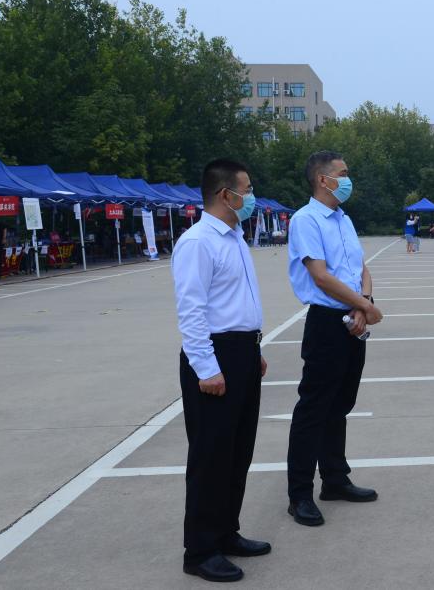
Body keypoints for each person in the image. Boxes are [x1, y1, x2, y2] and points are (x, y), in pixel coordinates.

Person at [171, 159, 270, 583]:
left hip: (242, 351)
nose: (251, 197)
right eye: (246, 190)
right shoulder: (198, 242)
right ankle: (200, 550)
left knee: (237, 451)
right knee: (211, 456)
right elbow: (192, 311)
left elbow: (236, 302)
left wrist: (253, 350)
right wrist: (207, 368)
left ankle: (226, 532)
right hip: (214, 356)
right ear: (226, 195)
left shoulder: (235, 238)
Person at [286, 150, 384, 527]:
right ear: (322, 180)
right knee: (313, 409)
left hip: (352, 319)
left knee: (340, 404)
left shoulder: (344, 219)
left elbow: (361, 268)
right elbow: (321, 277)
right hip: (327, 323)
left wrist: (364, 303)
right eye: (342, 173)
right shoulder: (306, 220)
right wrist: (364, 307)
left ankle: (335, 479)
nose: (347, 179)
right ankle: (299, 494)